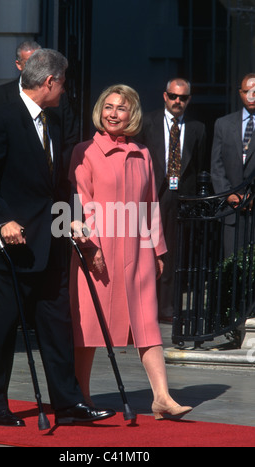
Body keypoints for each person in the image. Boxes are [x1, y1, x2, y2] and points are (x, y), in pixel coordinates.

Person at [0, 48, 115, 427]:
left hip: (51, 239)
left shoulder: (51, 120)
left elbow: (55, 185)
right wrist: (2, 220)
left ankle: (67, 404)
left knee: (56, 324)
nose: (65, 90)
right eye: (63, 83)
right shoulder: (3, 116)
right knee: (2, 326)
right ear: (49, 82)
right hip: (13, 248)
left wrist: (72, 220)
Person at [69, 84, 192, 420]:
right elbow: (79, 207)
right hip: (99, 252)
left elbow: (150, 207)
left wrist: (158, 250)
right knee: (90, 326)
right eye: (108, 107)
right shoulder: (85, 152)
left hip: (138, 253)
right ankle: (82, 396)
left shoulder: (143, 154)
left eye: (121, 108)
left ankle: (162, 397)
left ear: (132, 114)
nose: (113, 114)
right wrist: (89, 246)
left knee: (147, 322)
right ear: (99, 110)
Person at [136, 78, 207, 321]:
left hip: (181, 196)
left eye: (183, 97)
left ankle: (166, 308)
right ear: (165, 96)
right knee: (147, 249)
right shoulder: (148, 122)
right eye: (174, 96)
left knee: (174, 252)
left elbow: (199, 167)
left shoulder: (197, 128)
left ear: (189, 99)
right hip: (154, 192)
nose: (178, 101)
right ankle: (145, 306)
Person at [0, 40, 79, 176]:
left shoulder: (57, 100)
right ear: (19, 65)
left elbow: (69, 140)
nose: (36, 67)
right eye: (30, 62)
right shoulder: (1, 98)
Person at [211, 73, 255, 257]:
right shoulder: (223, 124)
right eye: (247, 92)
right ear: (240, 93)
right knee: (232, 267)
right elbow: (216, 164)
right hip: (231, 211)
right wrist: (229, 194)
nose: (251, 96)